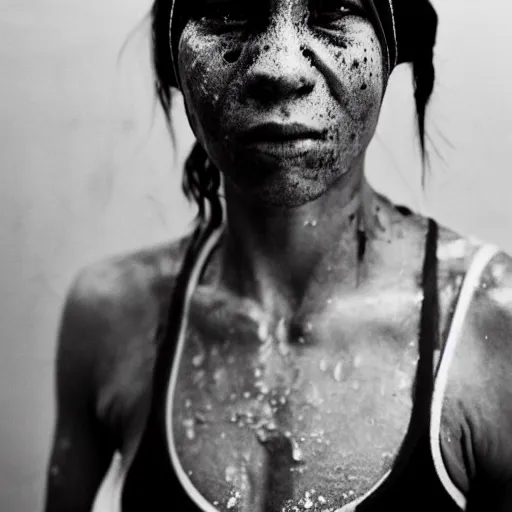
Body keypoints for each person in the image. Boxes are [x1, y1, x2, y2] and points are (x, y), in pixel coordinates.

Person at [43, 1, 512, 511]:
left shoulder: (492, 327)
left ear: (391, 46)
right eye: (229, 11)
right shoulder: (113, 316)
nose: (281, 68)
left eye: (334, 10)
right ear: (173, 60)